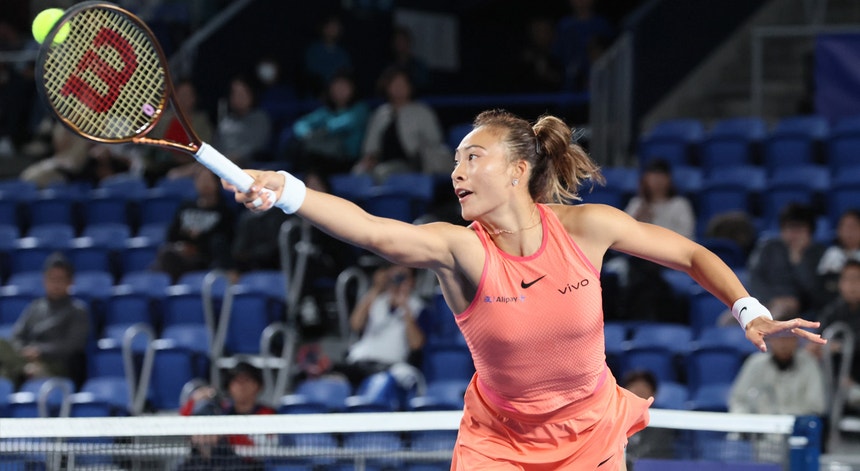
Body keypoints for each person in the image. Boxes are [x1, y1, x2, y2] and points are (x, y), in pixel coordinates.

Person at [225, 109, 824, 470]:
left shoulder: (587, 228)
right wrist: (286, 189)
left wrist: (749, 310)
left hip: (590, 431)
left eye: (472, 157)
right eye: (455, 161)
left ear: (518, 170)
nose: (456, 171)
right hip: (499, 442)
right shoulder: (461, 250)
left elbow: (691, 254)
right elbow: (375, 232)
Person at [608, 158, 695, 322]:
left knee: (644, 271)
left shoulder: (679, 204)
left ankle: (642, 317)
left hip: (669, 257)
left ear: (669, 179)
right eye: (653, 176)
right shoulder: (637, 204)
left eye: (661, 176)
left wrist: (652, 227)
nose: (657, 181)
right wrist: (638, 220)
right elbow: (620, 236)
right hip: (638, 258)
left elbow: (686, 237)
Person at [0, 252, 89, 386]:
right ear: (44, 280)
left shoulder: (78, 310)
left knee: (7, 371)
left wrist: (39, 351)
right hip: (26, 358)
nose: (56, 283)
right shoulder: (35, 307)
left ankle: (22, 369)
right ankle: (24, 368)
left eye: (60, 279)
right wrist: (25, 351)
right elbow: (17, 335)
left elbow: (72, 345)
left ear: (70, 281)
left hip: (55, 364)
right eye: (52, 278)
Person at [334, 263, 425, 389]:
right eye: (393, 277)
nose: (397, 281)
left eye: (402, 277)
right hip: (361, 362)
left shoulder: (418, 307)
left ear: (412, 281)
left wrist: (405, 307)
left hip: (389, 367)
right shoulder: (377, 300)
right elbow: (355, 324)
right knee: (332, 379)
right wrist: (376, 288)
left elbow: (416, 344)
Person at [354, 66, 448, 180]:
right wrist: (369, 158)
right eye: (394, 84)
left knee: (382, 172)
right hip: (382, 163)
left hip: (413, 165)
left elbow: (435, 142)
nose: (398, 88)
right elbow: (370, 146)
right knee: (358, 173)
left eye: (402, 84)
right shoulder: (380, 114)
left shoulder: (422, 112)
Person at [152, 170, 236, 283]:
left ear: (217, 183)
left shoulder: (224, 211)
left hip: (206, 257)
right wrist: (181, 245)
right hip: (182, 255)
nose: (204, 184)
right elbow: (172, 234)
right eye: (201, 180)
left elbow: (224, 239)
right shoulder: (186, 206)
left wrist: (196, 244)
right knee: (166, 253)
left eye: (208, 180)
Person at [747, 202, 828, 317]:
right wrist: (769, 299)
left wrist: (798, 262)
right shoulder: (768, 247)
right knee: (731, 317)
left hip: (797, 304)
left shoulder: (819, 253)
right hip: (766, 300)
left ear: (810, 232)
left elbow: (814, 290)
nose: (794, 235)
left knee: (780, 309)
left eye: (799, 230)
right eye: (789, 228)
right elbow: (755, 278)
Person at [288, 70, 369, 179]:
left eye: (344, 86)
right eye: (336, 86)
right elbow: (301, 124)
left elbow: (346, 122)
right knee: (299, 149)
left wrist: (324, 130)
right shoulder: (326, 111)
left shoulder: (360, 109)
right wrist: (307, 134)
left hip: (347, 158)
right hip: (323, 155)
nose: (339, 90)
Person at [179, 361, 276, 452]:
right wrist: (194, 401)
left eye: (247, 380)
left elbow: (265, 449)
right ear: (229, 387)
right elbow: (182, 423)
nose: (242, 386)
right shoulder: (222, 410)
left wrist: (224, 435)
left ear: (258, 386)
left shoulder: (268, 414)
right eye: (237, 381)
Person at [143, 79, 213, 184]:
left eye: (187, 95)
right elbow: (152, 148)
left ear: (194, 98)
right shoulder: (163, 119)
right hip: (162, 166)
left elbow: (203, 152)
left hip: (188, 167)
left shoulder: (201, 122)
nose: (183, 99)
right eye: (180, 94)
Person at [211, 76, 271, 167]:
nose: (238, 98)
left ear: (251, 94)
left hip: (244, 165)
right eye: (235, 93)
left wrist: (231, 158)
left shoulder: (260, 118)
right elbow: (215, 146)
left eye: (242, 93)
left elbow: (256, 147)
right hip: (219, 162)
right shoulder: (226, 121)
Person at [621, 370, 676, 468]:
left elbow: (655, 451)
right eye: (634, 386)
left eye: (644, 386)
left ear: (653, 392)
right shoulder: (617, 416)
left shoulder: (662, 421)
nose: (639, 390)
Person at [303, 15, 352, 97]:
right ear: (323, 28)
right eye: (330, 27)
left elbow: (346, 72)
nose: (333, 30)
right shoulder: (313, 50)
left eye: (336, 27)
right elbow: (312, 75)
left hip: (339, 94)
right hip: (317, 94)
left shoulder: (343, 53)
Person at [818, 209, 860, 301]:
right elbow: (822, 285)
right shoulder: (832, 253)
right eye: (845, 227)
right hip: (835, 301)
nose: (849, 231)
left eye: (854, 226)